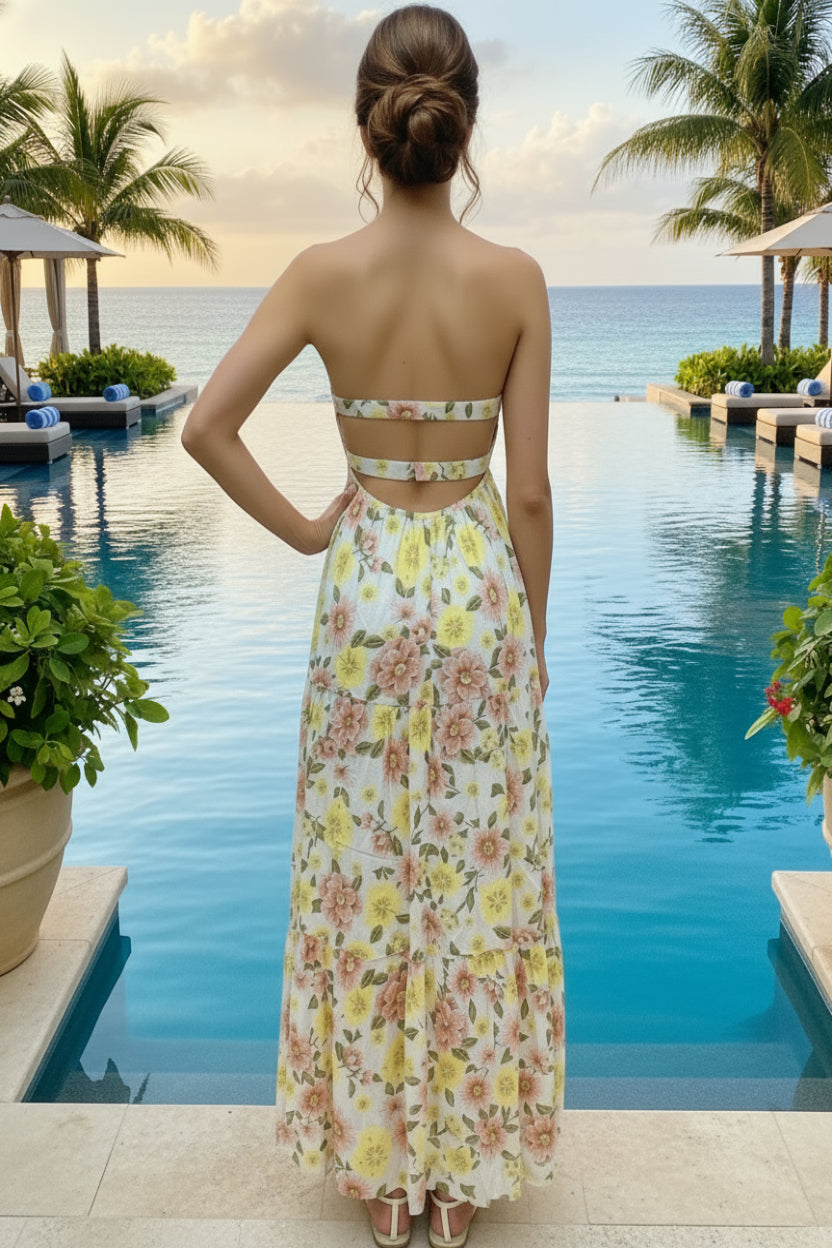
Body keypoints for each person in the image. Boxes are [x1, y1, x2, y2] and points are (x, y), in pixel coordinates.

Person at [181, 6, 565, 1246]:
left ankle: (384, 1179)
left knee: (366, 877)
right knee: (468, 878)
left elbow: (204, 428)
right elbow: (532, 493)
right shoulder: (514, 279)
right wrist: (534, 641)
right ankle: (458, 1184)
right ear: (463, 127)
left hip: (365, 588)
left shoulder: (316, 274)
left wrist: (306, 530)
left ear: (367, 123)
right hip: (473, 586)